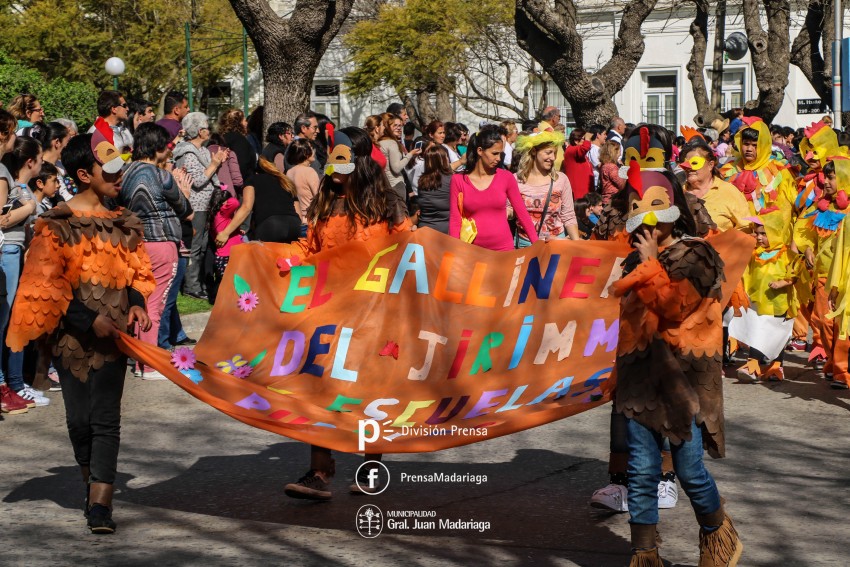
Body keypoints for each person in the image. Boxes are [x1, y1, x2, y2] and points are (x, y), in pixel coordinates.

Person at [6, 132, 155, 534]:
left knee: (106, 418)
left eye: (120, 168)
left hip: (113, 338)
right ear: (85, 175)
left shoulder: (124, 222)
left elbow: (136, 272)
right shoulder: (56, 224)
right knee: (79, 421)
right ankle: (91, 482)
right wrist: (88, 320)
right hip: (70, 339)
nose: (119, 176)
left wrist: (136, 302)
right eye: (110, 170)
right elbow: (45, 285)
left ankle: (101, 503)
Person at [612, 161, 743, 566]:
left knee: (689, 471)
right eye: (636, 206)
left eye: (653, 205)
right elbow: (629, 325)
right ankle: (644, 554)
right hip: (640, 383)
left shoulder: (696, 254)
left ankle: (718, 535)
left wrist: (651, 262)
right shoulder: (633, 262)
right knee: (641, 470)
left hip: (684, 382)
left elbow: (673, 307)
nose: (645, 218)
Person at [284, 127, 410, 500]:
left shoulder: (385, 202)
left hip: (375, 313)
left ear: (360, 162)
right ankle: (320, 471)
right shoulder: (326, 199)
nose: (333, 168)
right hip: (329, 310)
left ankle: (371, 468)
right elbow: (310, 246)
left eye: (341, 158)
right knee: (320, 388)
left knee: (371, 391)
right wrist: (288, 258)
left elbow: (408, 248)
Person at [114, 122, 192, 380]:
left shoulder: (123, 173)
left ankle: (137, 357)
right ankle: (148, 365)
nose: (169, 150)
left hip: (133, 243)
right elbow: (185, 209)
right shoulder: (161, 176)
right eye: (166, 146)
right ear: (157, 148)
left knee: (137, 300)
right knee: (154, 304)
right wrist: (184, 191)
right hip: (161, 242)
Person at [1, 136, 45, 408]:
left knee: (14, 320)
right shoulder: (14, 186)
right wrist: (29, 207)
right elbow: (3, 220)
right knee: (8, 320)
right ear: (30, 162)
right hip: (8, 251)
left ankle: (14, 382)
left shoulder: (18, 186)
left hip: (16, 251)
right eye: (40, 159)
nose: (42, 164)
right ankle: (9, 383)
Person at [798, 158, 850, 389]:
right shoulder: (821, 207)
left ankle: (841, 370)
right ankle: (833, 361)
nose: (825, 182)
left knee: (843, 326)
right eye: (825, 177)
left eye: (831, 177)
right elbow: (807, 235)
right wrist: (808, 248)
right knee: (822, 320)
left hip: (846, 279)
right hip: (823, 276)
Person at [449, 125, 537, 251]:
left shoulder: (506, 177)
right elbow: (455, 220)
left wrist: (537, 244)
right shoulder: (458, 180)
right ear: (480, 151)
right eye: (494, 153)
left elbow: (522, 213)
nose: (498, 159)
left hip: (504, 250)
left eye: (500, 154)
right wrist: (455, 252)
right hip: (472, 251)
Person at [172, 112, 229, 301]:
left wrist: (217, 162)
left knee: (203, 246)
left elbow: (209, 174)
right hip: (195, 205)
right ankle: (191, 286)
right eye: (206, 127)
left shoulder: (202, 150)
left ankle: (199, 282)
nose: (209, 130)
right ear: (199, 131)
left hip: (206, 205)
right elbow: (197, 181)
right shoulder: (187, 153)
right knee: (195, 247)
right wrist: (214, 163)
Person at [737, 215, 798, 381]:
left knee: (776, 335)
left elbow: (795, 275)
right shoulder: (755, 253)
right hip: (758, 302)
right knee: (756, 332)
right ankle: (752, 365)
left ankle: (776, 367)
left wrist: (782, 283)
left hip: (778, 303)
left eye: (763, 234)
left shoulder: (786, 254)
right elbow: (746, 272)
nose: (759, 237)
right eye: (757, 233)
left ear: (775, 233)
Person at [513, 130, 579, 246]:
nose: (553, 158)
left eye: (555, 153)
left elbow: (568, 216)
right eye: (548, 152)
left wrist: (577, 244)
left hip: (556, 244)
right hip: (525, 245)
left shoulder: (561, 179)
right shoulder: (515, 180)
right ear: (534, 151)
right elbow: (509, 211)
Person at [680, 139, 750, 232]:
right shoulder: (678, 193)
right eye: (685, 164)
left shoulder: (729, 191)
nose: (688, 167)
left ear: (710, 165)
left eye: (694, 163)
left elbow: (746, 227)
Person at [250, 157, 302, 243]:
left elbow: (246, 207)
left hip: (270, 225)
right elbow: (298, 211)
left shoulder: (253, 179)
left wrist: (227, 232)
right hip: (294, 224)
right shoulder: (285, 181)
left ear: (256, 172)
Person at [378, 112, 420, 202]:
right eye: (395, 125)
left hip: (384, 185)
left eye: (400, 126)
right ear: (387, 127)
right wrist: (410, 154)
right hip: (395, 184)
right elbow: (396, 168)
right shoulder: (392, 143)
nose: (399, 128)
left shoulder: (379, 142)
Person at [208, 188, 244, 288]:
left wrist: (237, 231)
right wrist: (226, 195)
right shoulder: (223, 213)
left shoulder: (215, 216)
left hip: (223, 256)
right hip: (230, 255)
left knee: (226, 284)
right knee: (233, 285)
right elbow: (235, 202)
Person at [285, 138, 320, 238]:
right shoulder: (310, 171)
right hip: (310, 222)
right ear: (305, 153)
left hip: (296, 222)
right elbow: (319, 197)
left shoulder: (289, 172)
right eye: (311, 148)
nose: (314, 151)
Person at [416, 143, 452, 234]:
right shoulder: (451, 180)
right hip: (446, 231)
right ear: (443, 160)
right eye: (446, 157)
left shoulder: (422, 181)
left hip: (425, 229)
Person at [37, 121, 75, 201]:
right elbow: (65, 197)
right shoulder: (41, 170)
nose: (70, 146)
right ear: (57, 142)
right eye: (68, 141)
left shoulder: (59, 164)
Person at [217, 108, 256, 184]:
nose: (246, 123)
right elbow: (243, 164)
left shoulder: (221, 138)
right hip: (240, 183)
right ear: (238, 123)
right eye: (244, 120)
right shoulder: (239, 140)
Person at [208, 132, 243, 198]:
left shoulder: (203, 153)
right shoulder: (229, 153)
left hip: (209, 196)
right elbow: (237, 181)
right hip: (227, 195)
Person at [563, 128, 593, 200]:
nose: (586, 141)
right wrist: (587, 139)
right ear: (576, 141)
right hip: (578, 192)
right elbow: (585, 148)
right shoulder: (571, 150)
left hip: (585, 190)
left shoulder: (577, 151)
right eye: (583, 139)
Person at [292, 112, 322, 177]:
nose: (318, 131)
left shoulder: (306, 146)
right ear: (303, 128)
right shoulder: (295, 148)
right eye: (315, 127)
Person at [599, 140, 625, 204]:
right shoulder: (611, 167)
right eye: (619, 151)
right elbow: (622, 184)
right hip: (612, 200)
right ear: (614, 152)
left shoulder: (604, 165)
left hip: (607, 198)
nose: (620, 154)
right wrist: (624, 169)